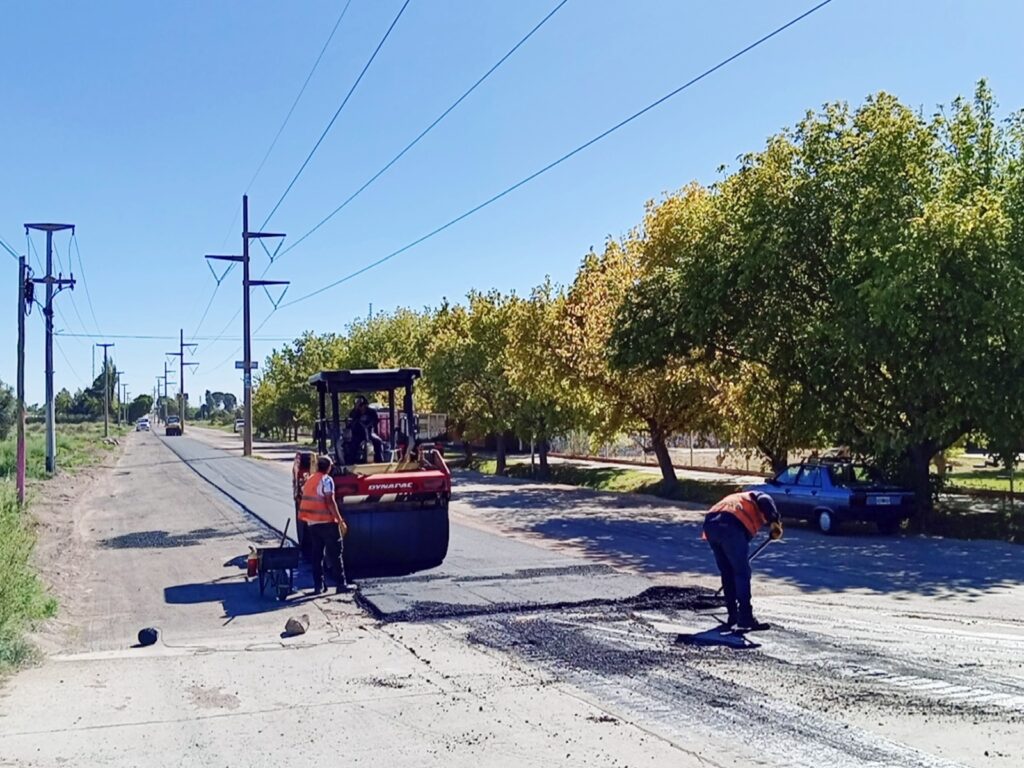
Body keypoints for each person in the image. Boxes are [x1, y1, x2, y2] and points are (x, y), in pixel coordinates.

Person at [703, 490, 783, 631]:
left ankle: (733, 615)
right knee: (741, 573)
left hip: (711, 524)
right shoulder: (758, 496)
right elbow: (765, 499)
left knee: (727, 572)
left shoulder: (738, 499)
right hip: (729, 525)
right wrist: (774, 522)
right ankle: (745, 617)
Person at [297, 455, 353, 594]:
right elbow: (330, 502)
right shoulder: (327, 480)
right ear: (329, 467)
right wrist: (340, 520)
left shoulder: (310, 480)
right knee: (336, 554)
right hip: (327, 523)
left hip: (312, 523)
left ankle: (319, 586)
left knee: (317, 554)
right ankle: (341, 585)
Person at [347, 395, 383, 463]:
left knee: (378, 441)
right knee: (353, 444)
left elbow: (376, 421)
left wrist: (369, 424)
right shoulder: (354, 412)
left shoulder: (372, 412)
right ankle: (351, 462)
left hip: (370, 433)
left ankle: (379, 460)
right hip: (358, 434)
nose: (362, 408)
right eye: (360, 406)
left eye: (363, 405)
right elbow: (351, 423)